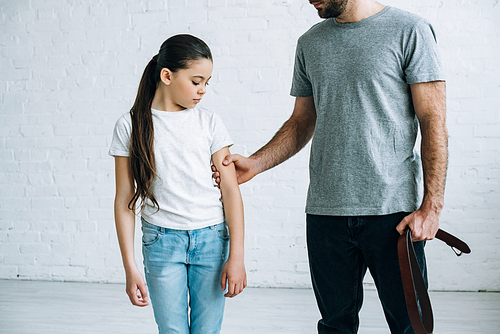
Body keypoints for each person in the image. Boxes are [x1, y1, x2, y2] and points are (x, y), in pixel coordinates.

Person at [213, 0, 447, 333]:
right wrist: (256, 163)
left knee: (412, 327)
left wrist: (432, 207)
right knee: (335, 326)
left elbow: (432, 120)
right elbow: (301, 120)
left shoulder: (410, 31)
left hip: (394, 214)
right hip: (326, 214)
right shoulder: (310, 42)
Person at [109, 34, 246, 334]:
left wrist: (236, 256)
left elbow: (231, 192)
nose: (203, 90)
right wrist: (130, 268)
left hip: (211, 240)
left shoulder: (210, 122)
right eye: (197, 81)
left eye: (207, 82)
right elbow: (124, 200)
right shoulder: (130, 125)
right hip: (161, 243)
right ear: (167, 75)